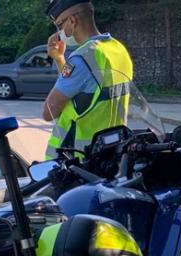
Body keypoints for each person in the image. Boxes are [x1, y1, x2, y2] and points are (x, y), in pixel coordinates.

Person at [42, 0, 133, 160]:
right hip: (113, 152)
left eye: (59, 25)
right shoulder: (117, 48)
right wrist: (59, 58)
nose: (58, 32)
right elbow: (84, 93)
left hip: (78, 159)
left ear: (72, 21)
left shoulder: (84, 56)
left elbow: (49, 112)